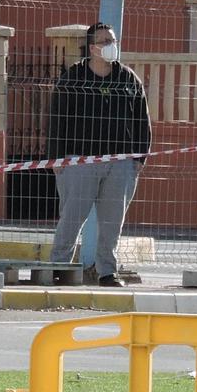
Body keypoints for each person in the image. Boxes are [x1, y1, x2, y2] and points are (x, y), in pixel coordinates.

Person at [46, 22, 151, 286]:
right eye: (104, 41)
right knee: (72, 219)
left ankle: (106, 271)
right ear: (92, 48)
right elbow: (57, 120)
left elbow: (142, 121)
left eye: (112, 40)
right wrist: (58, 159)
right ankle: (59, 268)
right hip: (79, 162)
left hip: (120, 164)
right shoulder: (73, 78)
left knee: (112, 223)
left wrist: (139, 159)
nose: (110, 45)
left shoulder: (128, 79)